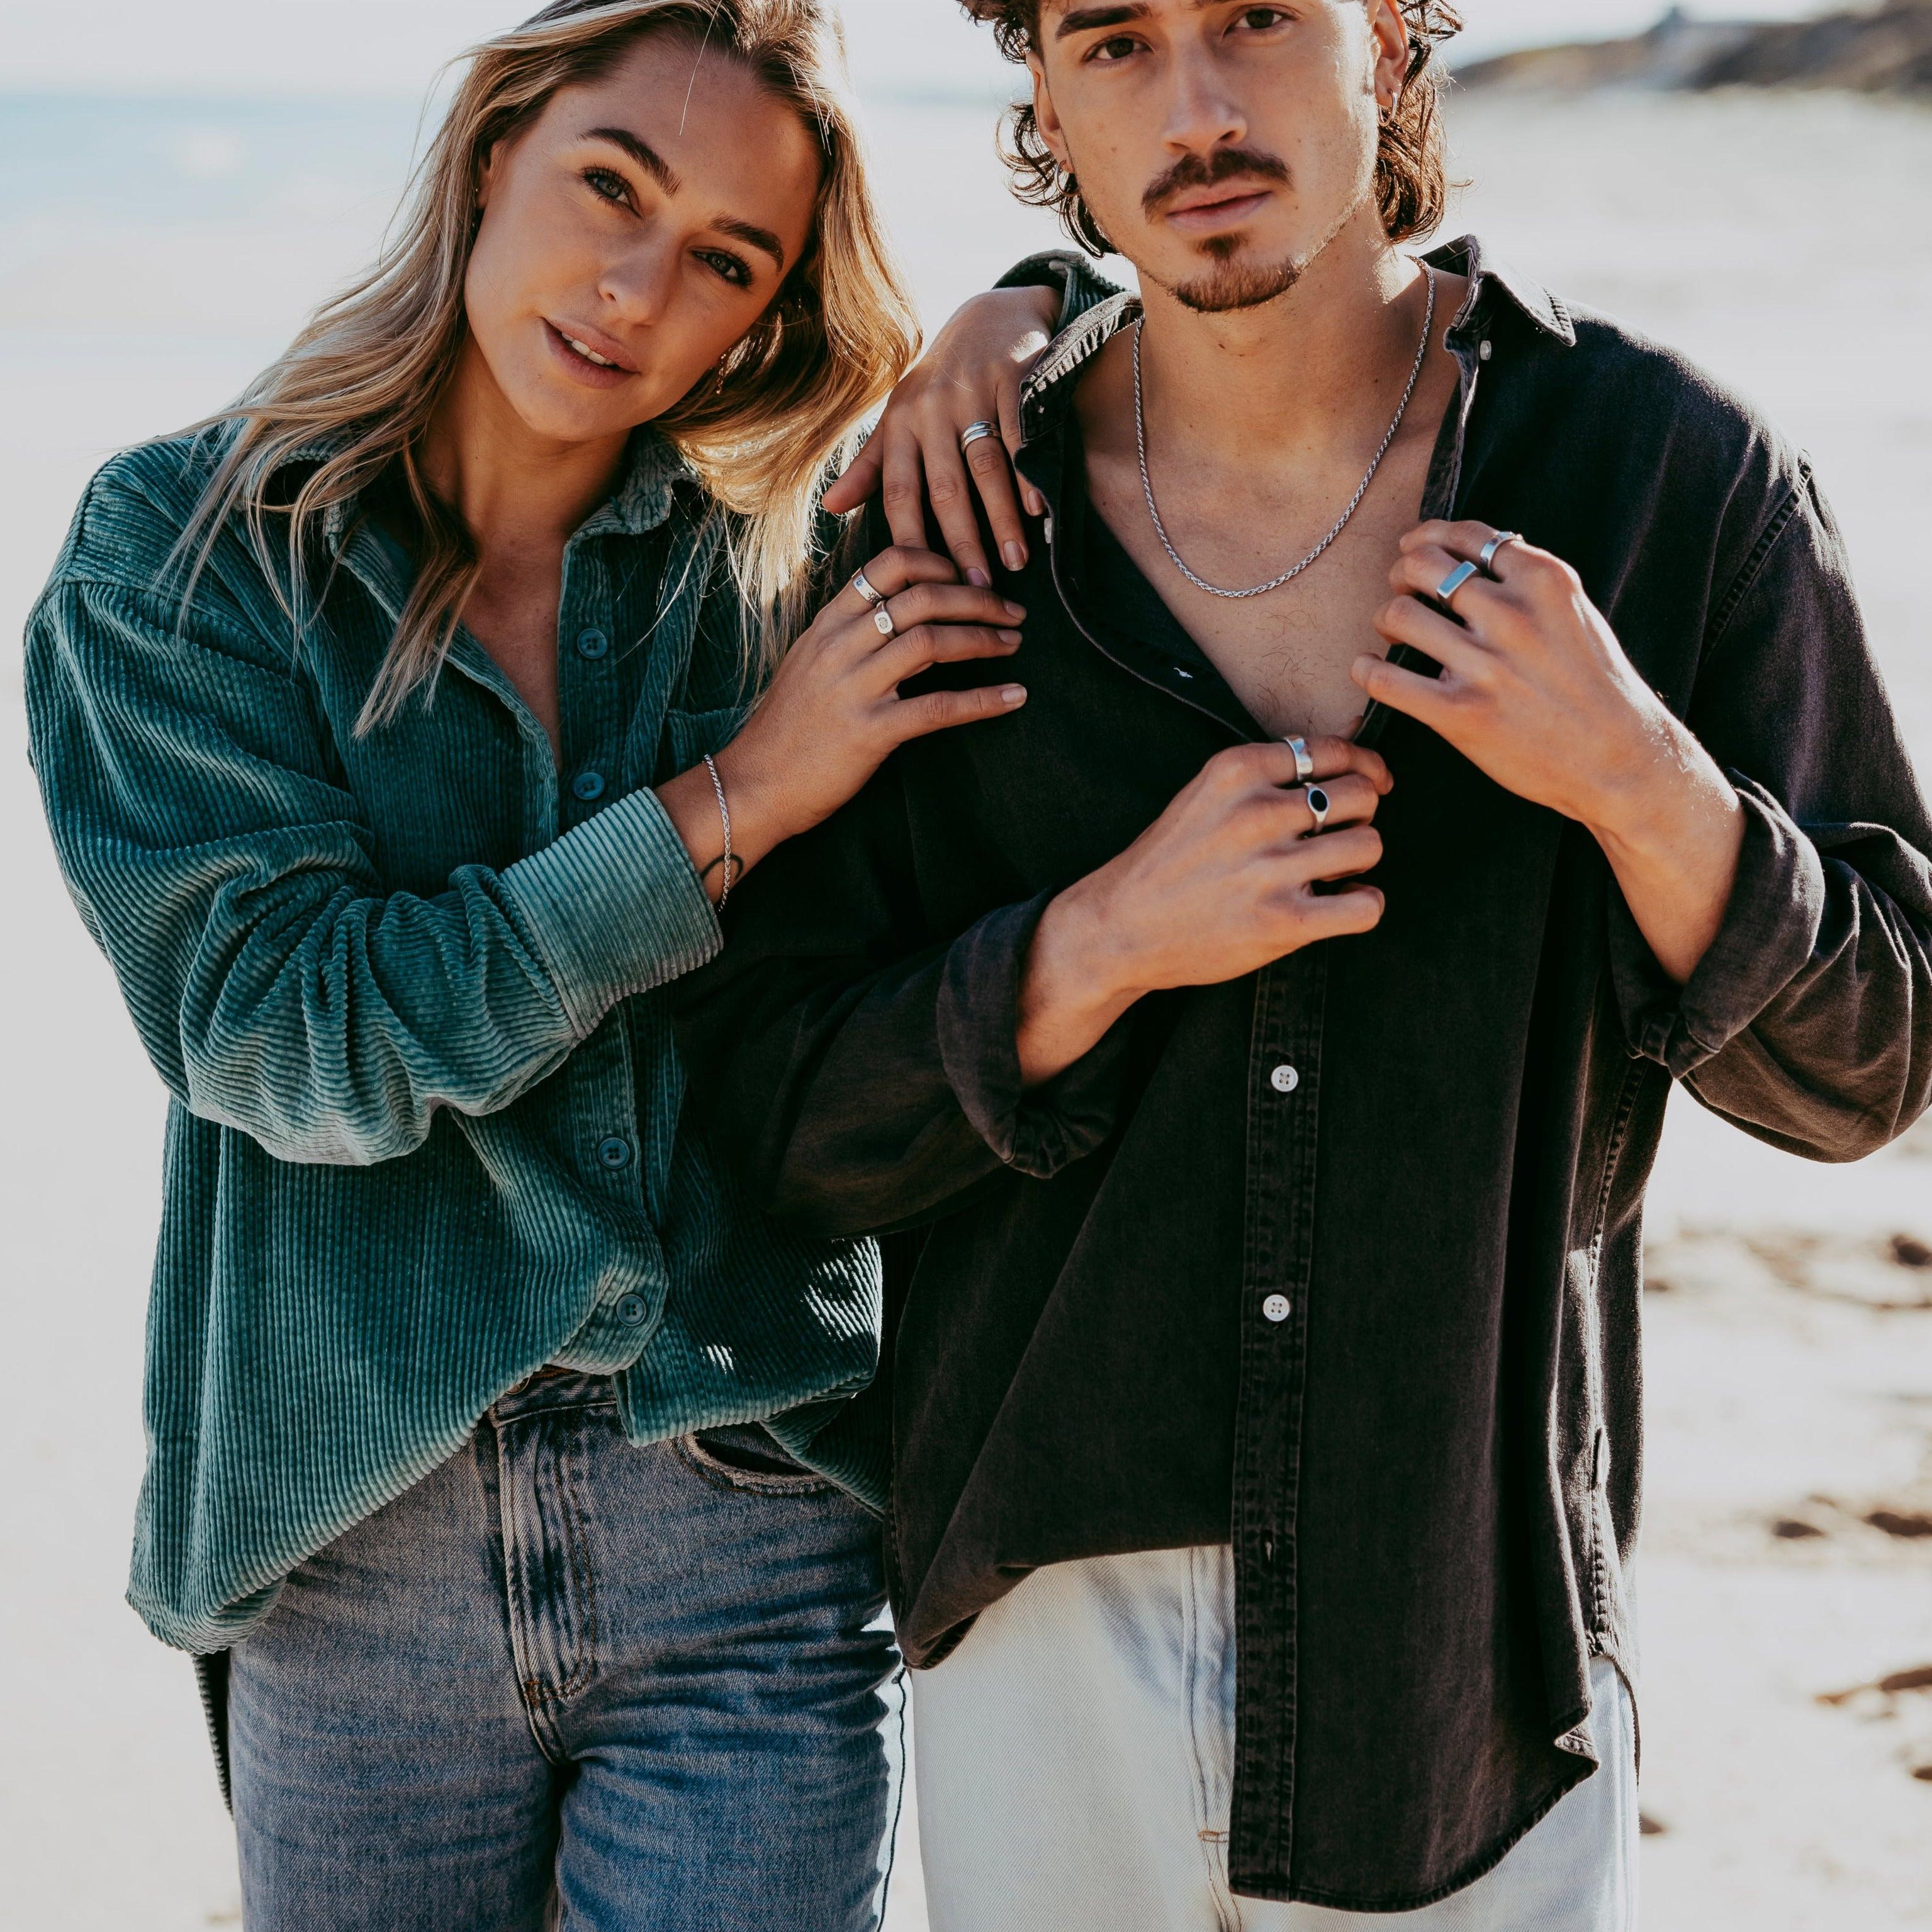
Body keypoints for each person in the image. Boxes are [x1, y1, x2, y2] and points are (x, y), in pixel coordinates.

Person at [671, 3, 1932, 1928]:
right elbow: (768, 1126)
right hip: (1041, 1625)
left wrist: (1636, 780)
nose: (1194, 106)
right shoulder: (946, 529)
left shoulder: (1663, 481)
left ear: (1394, 40)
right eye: (1114, 40)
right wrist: (1092, 949)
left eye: (1259, 16)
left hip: (1469, 1646)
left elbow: (1879, 1060)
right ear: (1047, 103)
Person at [23, 2, 1115, 1926]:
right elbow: (293, 1038)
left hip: (751, 1519)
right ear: (488, 157)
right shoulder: (183, 556)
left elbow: (1182, 349)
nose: (633, 289)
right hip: (351, 1542)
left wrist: (1018, 305)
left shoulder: (767, 579)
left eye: (725, 261)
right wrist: (733, 801)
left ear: (766, 321)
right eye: (610, 185)